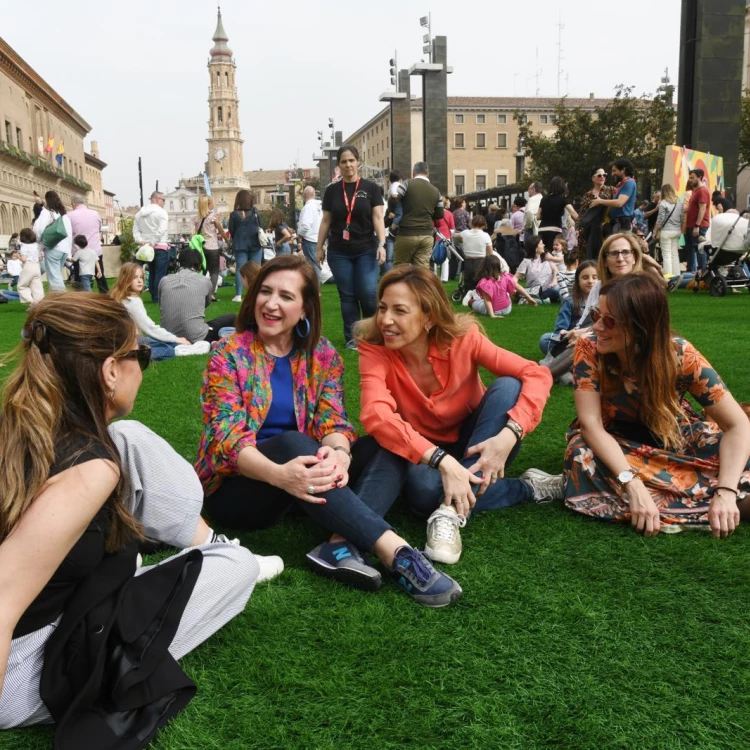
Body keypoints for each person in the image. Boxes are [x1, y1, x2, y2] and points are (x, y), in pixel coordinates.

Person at [0, 293, 279, 738]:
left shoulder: (24, 423)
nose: (142, 368)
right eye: (141, 355)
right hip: (23, 666)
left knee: (126, 438)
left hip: (47, 603)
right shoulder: (88, 470)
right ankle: (215, 553)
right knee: (237, 567)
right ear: (111, 371)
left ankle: (199, 543)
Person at [196, 255, 461, 607]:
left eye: (286, 297)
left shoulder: (322, 354)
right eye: (265, 292)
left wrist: (339, 453)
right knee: (294, 442)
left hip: (308, 477)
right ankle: (396, 553)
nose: (271, 304)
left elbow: (333, 421)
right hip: (242, 488)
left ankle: (339, 544)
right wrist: (279, 475)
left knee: (387, 443)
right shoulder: (228, 353)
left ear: (305, 309)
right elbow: (226, 441)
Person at [355, 265, 557, 566]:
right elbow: (376, 414)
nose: (385, 320)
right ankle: (526, 488)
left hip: (481, 442)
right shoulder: (374, 350)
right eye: (382, 308)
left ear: (429, 316)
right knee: (422, 493)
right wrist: (441, 461)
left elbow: (536, 374)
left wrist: (509, 433)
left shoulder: (465, 338)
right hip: (425, 454)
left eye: (400, 311)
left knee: (508, 386)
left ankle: (448, 512)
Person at [563, 272, 750, 536]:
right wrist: (633, 485)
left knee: (739, 450)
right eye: (596, 315)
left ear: (641, 328)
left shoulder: (681, 355)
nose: (597, 327)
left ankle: (715, 500)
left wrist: (727, 491)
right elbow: (591, 425)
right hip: (617, 444)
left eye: (609, 321)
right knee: (581, 454)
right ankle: (714, 502)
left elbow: (737, 424)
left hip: (672, 436)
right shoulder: (589, 348)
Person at [543, 232, 667, 382]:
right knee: (549, 340)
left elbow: (633, 327)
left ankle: (545, 375)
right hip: (599, 332)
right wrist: (576, 331)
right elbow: (587, 319)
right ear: (605, 261)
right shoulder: (600, 286)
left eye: (626, 252)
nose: (620, 258)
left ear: (634, 257)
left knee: (585, 341)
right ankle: (552, 372)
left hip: (632, 342)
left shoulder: (644, 288)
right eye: (614, 254)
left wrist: (585, 332)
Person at [317, 144, 385, 350]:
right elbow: (326, 220)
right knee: (347, 295)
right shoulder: (332, 191)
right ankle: (353, 338)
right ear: (339, 165)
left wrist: (381, 244)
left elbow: (378, 217)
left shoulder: (371, 189)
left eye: (351, 161)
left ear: (358, 162)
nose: (348, 165)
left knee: (367, 291)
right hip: (339, 251)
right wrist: (319, 247)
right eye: (344, 161)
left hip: (366, 248)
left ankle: (373, 332)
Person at [110, 263, 209, 360]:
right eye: (135, 277)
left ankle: (183, 346)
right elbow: (150, 328)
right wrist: (176, 339)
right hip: (129, 342)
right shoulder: (133, 301)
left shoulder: (119, 297)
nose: (140, 281)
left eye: (141, 277)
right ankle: (181, 350)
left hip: (120, 341)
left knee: (159, 341)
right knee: (167, 349)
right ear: (125, 279)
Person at [159, 248, 236, 345]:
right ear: (198, 264)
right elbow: (206, 303)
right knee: (232, 317)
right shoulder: (204, 281)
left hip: (167, 335)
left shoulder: (164, 280)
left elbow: (162, 305)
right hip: (197, 337)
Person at [539, 260, 598, 363]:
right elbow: (560, 330)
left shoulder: (602, 301)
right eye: (585, 277)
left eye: (595, 277)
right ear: (578, 281)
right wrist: (564, 333)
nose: (590, 281)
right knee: (545, 339)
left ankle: (567, 361)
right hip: (570, 340)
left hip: (592, 339)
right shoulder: (570, 301)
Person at [393, 161, 444, 266]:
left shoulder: (407, 184)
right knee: (421, 271)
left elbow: (396, 199)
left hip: (406, 233)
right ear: (428, 173)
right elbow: (440, 214)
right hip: (426, 235)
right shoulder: (436, 191)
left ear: (413, 173)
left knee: (401, 268)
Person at [227, 189, 264, 302]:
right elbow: (261, 225)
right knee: (256, 269)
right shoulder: (255, 212)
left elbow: (231, 230)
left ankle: (238, 294)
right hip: (255, 243)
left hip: (240, 244)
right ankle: (255, 292)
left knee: (240, 269)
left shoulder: (233, 214)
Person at [470, 254, 537, 316]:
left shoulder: (485, 283)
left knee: (471, 302)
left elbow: (487, 301)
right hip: (507, 309)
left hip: (494, 311)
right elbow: (518, 287)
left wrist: (492, 315)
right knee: (504, 294)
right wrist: (529, 298)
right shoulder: (506, 277)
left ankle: (471, 300)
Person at [33, 190, 73, 292]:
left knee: (54, 278)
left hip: (53, 248)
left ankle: (62, 301)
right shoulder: (64, 215)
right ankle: (56, 300)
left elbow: (38, 230)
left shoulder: (46, 212)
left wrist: (38, 243)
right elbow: (69, 234)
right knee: (56, 275)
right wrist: (69, 253)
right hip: (64, 250)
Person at [133, 191, 169, 302]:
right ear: (157, 199)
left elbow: (135, 231)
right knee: (159, 273)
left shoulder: (139, 213)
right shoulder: (162, 213)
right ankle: (157, 296)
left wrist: (142, 241)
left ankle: (153, 294)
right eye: (163, 200)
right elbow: (161, 230)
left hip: (145, 248)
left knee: (152, 272)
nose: (164, 202)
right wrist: (153, 242)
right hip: (160, 245)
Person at [69, 195, 107, 292]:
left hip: (79, 251)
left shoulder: (70, 215)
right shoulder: (95, 214)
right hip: (95, 250)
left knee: (79, 277)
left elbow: (68, 233)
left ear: (73, 203)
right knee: (100, 275)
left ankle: (82, 299)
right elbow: (99, 228)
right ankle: (106, 297)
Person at [576, 167, 614, 261]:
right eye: (599, 175)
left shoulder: (611, 190)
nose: (602, 177)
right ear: (593, 178)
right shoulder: (588, 195)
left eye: (604, 175)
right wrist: (577, 228)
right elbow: (582, 213)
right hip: (590, 230)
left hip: (606, 228)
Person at [590, 158, 638, 234]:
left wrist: (600, 201)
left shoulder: (629, 183)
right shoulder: (621, 184)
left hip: (623, 224)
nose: (612, 174)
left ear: (623, 170)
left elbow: (619, 203)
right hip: (617, 223)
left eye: (614, 170)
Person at [195, 195, 229, 298]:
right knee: (214, 271)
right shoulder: (213, 217)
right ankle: (211, 293)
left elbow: (196, 233)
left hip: (202, 247)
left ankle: (199, 291)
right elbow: (221, 230)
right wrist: (227, 241)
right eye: (212, 203)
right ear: (208, 205)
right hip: (213, 246)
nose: (213, 205)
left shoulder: (197, 218)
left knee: (203, 270)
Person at [515, 235, 560, 303]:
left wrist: (554, 281)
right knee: (557, 290)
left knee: (557, 288)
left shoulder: (546, 256)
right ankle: (540, 299)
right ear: (535, 248)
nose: (544, 245)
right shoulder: (527, 261)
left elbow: (555, 269)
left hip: (548, 289)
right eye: (541, 244)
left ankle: (538, 300)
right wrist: (513, 287)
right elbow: (516, 277)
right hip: (534, 291)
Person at [538, 177, 578, 251]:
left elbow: (538, 216)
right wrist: (582, 221)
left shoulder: (544, 199)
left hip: (542, 230)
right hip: (555, 231)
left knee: (543, 255)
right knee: (554, 254)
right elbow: (573, 212)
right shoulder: (563, 199)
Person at [654, 183, 684, 278]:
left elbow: (660, 219)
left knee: (666, 255)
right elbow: (682, 218)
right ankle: (677, 275)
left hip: (666, 231)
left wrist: (655, 230)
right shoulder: (679, 203)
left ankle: (668, 277)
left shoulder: (663, 203)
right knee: (675, 254)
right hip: (677, 230)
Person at [458, 215, 495, 292]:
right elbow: (490, 253)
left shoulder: (464, 233)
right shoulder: (485, 235)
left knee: (468, 283)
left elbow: (457, 236)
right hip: (481, 261)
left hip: (468, 261)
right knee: (481, 282)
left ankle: (467, 297)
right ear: (483, 224)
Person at [684, 168, 710, 273]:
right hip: (691, 225)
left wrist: (697, 226)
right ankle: (691, 272)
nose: (690, 180)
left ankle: (702, 272)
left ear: (699, 178)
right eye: (690, 177)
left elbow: (702, 209)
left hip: (699, 226)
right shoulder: (695, 191)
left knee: (700, 249)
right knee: (691, 249)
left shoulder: (703, 191)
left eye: (692, 178)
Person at [296, 186, 323, 280]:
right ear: (314, 194)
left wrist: (299, 234)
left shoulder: (307, 208)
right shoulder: (319, 207)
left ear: (305, 195)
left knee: (313, 266)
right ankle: (316, 289)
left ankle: (316, 289)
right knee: (316, 264)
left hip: (310, 239)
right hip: (318, 238)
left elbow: (305, 226)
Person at [17, 227, 44, 305]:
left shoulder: (24, 246)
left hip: (28, 266)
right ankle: (39, 303)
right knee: (37, 287)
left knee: (22, 286)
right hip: (36, 266)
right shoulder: (37, 245)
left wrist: (17, 256)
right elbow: (40, 258)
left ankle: (31, 301)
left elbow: (24, 259)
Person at [433, 195, 455, 282]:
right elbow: (452, 228)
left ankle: (434, 275)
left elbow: (433, 225)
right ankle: (444, 277)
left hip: (437, 237)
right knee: (445, 257)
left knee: (435, 256)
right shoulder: (449, 214)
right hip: (447, 237)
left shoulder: (434, 213)